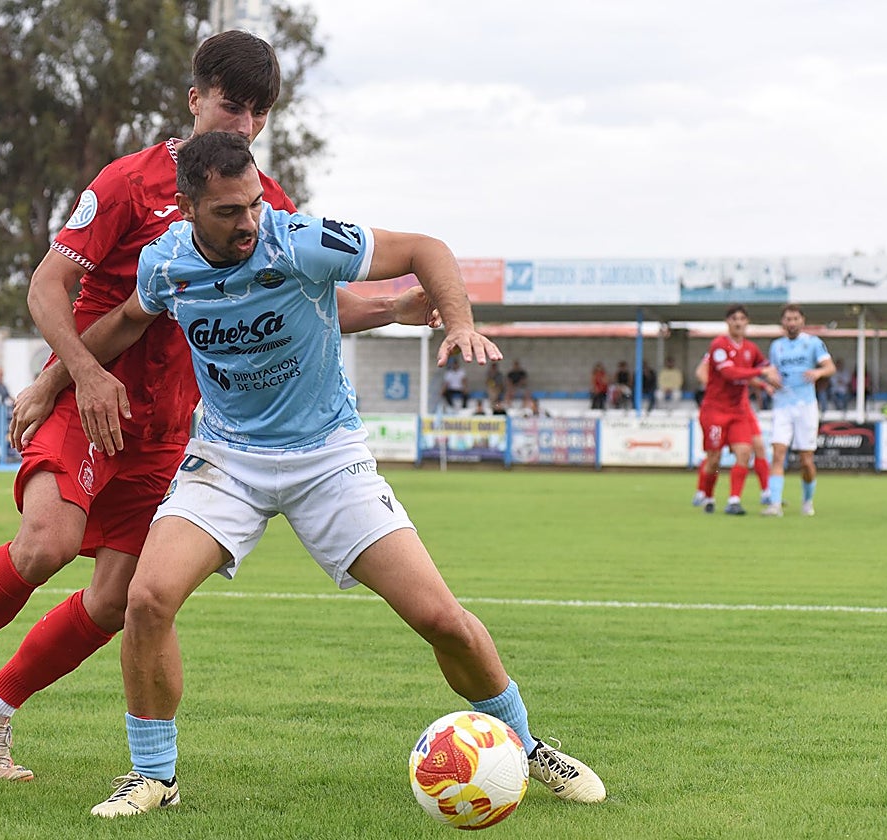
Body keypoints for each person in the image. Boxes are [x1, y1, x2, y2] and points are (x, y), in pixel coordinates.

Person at [0, 30, 436, 782]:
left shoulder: (264, 205)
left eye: (257, 112)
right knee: (45, 543)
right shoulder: (125, 183)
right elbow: (48, 288)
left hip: (168, 425)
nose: (241, 124)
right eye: (230, 105)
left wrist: (395, 304)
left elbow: (309, 300)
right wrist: (67, 375)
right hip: (89, 393)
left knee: (115, 601)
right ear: (194, 99)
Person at [48, 131, 605, 818]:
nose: (249, 221)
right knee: (147, 599)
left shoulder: (300, 240)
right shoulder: (164, 265)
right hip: (227, 459)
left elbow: (425, 249)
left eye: (253, 203)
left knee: (441, 619)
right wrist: (57, 381)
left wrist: (456, 322)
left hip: (327, 458)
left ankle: (525, 744)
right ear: (187, 207)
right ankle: (154, 776)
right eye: (227, 211)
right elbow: (128, 320)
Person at [691, 306, 779, 515]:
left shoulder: (750, 348)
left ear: (747, 322)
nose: (738, 323)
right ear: (727, 322)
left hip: (739, 410)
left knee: (745, 451)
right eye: (734, 319)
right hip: (715, 410)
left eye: (742, 319)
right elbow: (730, 373)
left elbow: (765, 366)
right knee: (714, 459)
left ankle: (734, 500)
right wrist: (762, 373)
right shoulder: (719, 345)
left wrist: (772, 379)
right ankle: (707, 495)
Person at [760, 305, 835, 518]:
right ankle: (775, 504)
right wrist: (770, 378)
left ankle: (807, 500)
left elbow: (830, 368)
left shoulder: (813, 343)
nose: (791, 323)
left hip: (806, 407)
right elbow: (772, 371)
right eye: (787, 319)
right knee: (777, 455)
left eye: (795, 318)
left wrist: (818, 372)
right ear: (782, 322)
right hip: (782, 405)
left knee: (806, 461)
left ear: (802, 320)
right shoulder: (776, 346)